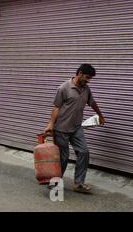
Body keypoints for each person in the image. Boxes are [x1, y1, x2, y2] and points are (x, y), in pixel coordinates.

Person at [44, 64, 105, 194]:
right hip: (61, 129)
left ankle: (78, 183)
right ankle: (54, 183)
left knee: (84, 152)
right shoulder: (64, 88)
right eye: (87, 77)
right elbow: (56, 107)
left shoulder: (86, 89)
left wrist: (100, 115)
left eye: (90, 79)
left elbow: (92, 102)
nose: (89, 80)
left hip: (77, 128)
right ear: (80, 73)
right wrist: (51, 124)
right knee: (63, 158)